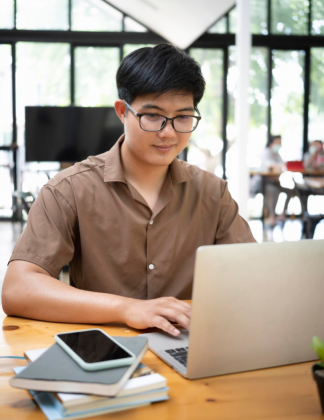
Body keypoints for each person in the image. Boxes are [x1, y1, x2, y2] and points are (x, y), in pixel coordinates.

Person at [2, 44, 255, 337]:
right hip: (102, 347)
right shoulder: (68, 190)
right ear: (123, 112)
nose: (168, 132)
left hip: (189, 346)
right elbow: (18, 289)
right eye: (153, 116)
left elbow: (252, 275)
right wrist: (126, 308)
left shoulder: (212, 192)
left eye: (183, 117)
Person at [260, 135, 293, 226]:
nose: (279, 145)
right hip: (265, 183)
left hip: (276, 182)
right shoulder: (266, 152)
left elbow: (282, 166)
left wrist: (278, 166)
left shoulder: (277, 154)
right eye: (277, 143)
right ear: (272, 143)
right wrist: (277, 166)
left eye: (280, 143)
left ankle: (282, 215)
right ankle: (272, 216)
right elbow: (270, 165)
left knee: (291, 191)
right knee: (273, 191)